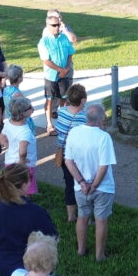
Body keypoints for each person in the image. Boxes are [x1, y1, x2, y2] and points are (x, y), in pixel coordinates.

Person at [65, 104, 116, 261]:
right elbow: (103, 166)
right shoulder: (104, 137)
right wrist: (93, 186)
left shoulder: (74, 132)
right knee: (101, 220)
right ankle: (99, 255)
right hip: (103, 187)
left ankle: (81, 250)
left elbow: (68, 161)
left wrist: (81, 182)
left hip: (80, 188)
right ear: (101, 119)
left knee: (82, 216)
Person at [39, 12, 76, 135]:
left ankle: (63, 122)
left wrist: (66, 68)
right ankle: (49, 124)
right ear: (48, 26)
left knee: (64, 99)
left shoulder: (64, 38)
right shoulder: (44, 41)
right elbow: (46, 60)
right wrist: (60, 70)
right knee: (50, 100)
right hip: (51, 76)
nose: (57, 27)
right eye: (54, 25)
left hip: (64, 74)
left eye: (58, 25)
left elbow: (70, 53)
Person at [55, 85, 88, 223]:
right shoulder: (83, 118)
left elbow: (59, 129)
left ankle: (71, 215)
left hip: (63, 155)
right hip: (77, 158)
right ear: (83, 100)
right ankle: (84, 215)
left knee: (69, 185)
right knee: (82, 184)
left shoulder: (62, 111)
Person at [1, 96, 38, 195]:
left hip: (9, 161)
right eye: (30, 107)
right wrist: (22, 162)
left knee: (12, 188)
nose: (33, 109)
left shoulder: (8, 123)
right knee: (25, 190)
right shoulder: (24, 131)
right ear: (23, 113)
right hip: (23, 165)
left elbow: (1, 138)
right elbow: (22, 152)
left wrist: (10, 148)